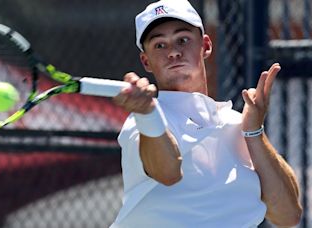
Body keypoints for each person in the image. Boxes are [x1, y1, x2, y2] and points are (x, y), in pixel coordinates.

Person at [110, 0, 303, 227]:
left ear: (206, 46)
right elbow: (167, 173)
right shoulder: (143, 121)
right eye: (160, 45)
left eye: (183, 40)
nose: (173, 52)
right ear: (146, 61)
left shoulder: (238, 123)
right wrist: (147, 113)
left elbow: (288, 216)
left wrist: (254, 132)